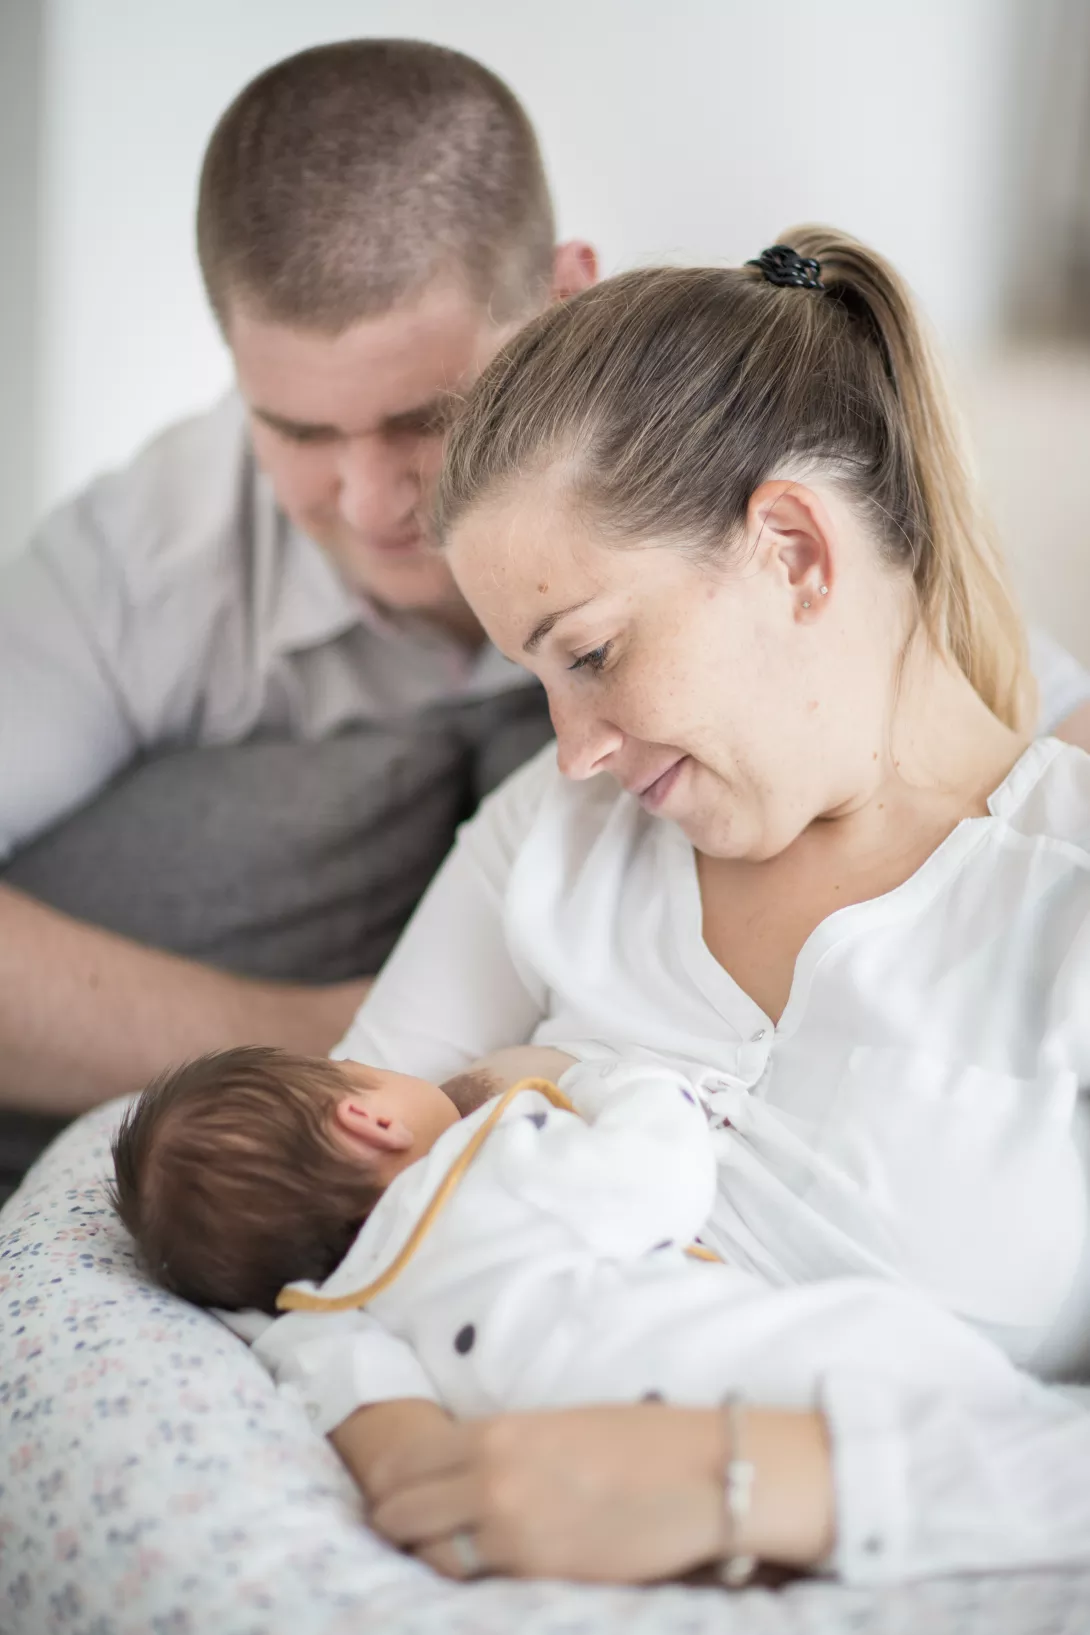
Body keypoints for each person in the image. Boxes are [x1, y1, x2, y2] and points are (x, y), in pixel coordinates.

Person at [276, 229, 1090, 1586]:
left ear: (793, 551)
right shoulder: (551, 840)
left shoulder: (1060, 901)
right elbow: (328, 1205)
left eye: (592, 653)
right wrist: (399, 1438)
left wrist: (735, 1483)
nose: (572, 748)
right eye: (540, 681)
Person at [0, 39, 596, 1127]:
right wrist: (348, 1043)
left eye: (426, 417)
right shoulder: (138, 559)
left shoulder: (716, 469)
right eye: (297, 431)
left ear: (566, 299)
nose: (368, 504)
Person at [109, 1043, 1067, 1586]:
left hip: (598, 1518)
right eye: (361, 1066)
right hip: (770, 1388)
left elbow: (319, 1363)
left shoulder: (339, 1313)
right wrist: (616, 1078)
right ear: (370, 1119)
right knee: (898, 1348)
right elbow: (660, 1177)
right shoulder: (500, 1164)